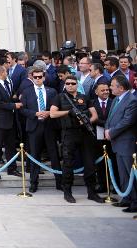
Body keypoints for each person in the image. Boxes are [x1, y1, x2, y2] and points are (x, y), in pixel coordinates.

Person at [50, 76, 103, 204]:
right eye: (67, 83)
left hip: (85, 133)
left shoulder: (84, 97)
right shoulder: (60, 97)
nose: (70, 85)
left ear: (77, 84)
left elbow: (94, 115)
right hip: (69, 133)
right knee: (68, 164)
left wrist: (85, 122)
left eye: (72, 83)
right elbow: (52, 114)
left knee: (89, 164)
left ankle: (92, 192)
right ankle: (67, 192)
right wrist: (69, 112)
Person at [19, 68, 61, 192]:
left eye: (40, 77)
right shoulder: (26, 92)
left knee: (54, 155)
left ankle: (60, 182)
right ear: (32, 77)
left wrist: (48, 112)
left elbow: (57, 107)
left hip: (49, 126)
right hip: (34, 126)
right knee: (34, 156)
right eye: (35, 77)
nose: (38, 79)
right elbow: (22, 110)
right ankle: (33, 183)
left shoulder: (52, 91)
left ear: (44, 77)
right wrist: (35, 113)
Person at [105, 75, 137, 212]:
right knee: (122, 173)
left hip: (126, 142)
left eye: (112, 85)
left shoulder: (132, 101)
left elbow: (127, 121)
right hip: (116, 142)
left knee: (130, 173)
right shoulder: (116, 99)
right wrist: (107, 129)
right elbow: (110, 117)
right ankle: (126, 198)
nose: (110, 88)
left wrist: (111, 132)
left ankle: (135, 202)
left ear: (121, 87)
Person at [0, 66, 21, 180]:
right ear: (1, 73)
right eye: (6, 71)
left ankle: (12, 169)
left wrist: (15, 100)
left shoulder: (4, 83)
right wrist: (14, 105)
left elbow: (8, 98)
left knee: (10, 146)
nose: (7, 73)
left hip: (9, 120)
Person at [92, 81, 114, 194]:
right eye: (103, 90)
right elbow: (92, 119)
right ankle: (102, 185)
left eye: (107, 90)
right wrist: (105, 125)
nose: (106, 92)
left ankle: (115, 185)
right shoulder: (92, 104)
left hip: (113, 137)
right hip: (97, 139)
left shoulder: (114, 102)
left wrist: (107, 127)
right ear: (96, 92)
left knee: (113, 162)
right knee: (100, 164)